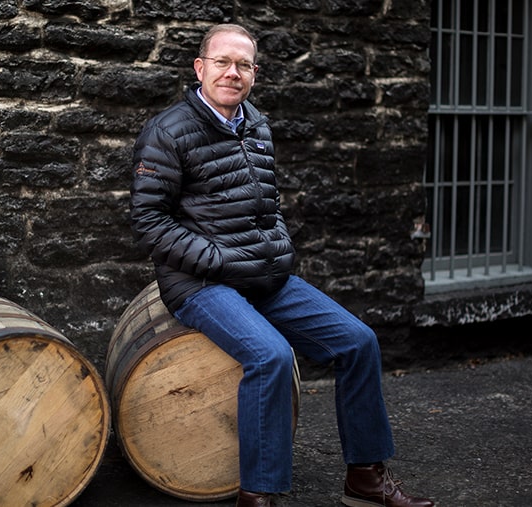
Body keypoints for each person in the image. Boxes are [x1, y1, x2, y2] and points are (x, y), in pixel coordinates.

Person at [129, 23, 434, 507]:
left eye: (244, 65)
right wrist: (218, 260)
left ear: (255, 72)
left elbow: (267, 207)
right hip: (201, 284)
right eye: (223, 62)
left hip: (266, 277)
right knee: (270, 357)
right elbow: (149, 221)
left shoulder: (257, 124)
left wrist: (278, 250)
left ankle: (365, 479)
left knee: (359, 342)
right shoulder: (168, 131)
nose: (233, 73)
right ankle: (259, 496)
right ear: (200, 67)